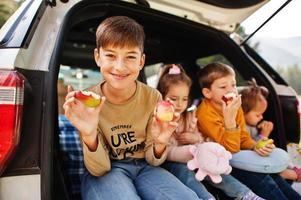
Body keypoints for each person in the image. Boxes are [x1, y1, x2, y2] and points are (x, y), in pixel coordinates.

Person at [63, 16, 199, 200]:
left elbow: (153, 160)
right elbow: (99, 169)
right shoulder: (88, 102)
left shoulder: (153, 97)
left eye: (130, 57)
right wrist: (89, 135)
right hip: (107, 171)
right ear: (97, 57)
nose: (119, 67)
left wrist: (160, 142)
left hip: (145, 167)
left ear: (141, 62)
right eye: (110, 55)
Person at [157, 63, 264, 200]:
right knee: (185, 172)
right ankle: (207, 198)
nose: (179, 104)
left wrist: (195, 139)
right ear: (160, 96)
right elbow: (163, 151)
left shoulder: (189, 117)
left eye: (184, 99)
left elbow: (202, 140)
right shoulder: (159, 121)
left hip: (194, 156)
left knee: (212, 168)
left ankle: (245, 195)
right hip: (172, 161)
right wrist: (193, 150)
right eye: (173, 99)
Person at [196, 62, 301, 200]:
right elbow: (231, 149)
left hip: (237, 156)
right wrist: (230, 119)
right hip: (220, 162)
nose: (231, 90)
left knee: (274, 176)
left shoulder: (234, 105)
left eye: (233, 85)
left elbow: (243, 138)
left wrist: (255, 146)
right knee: (261, 180)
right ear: (207, 93)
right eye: (223, 87)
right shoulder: (205, 114)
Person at [240, 78, 301, 183]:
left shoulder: (252, 125)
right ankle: (284, 173)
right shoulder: (244, 129)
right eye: (257, 114)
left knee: (275, 150)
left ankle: (290, 168)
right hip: (251, 160)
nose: (261, 117)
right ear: (242, 112)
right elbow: (252, 149)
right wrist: (264, 135)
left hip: (258, 154)